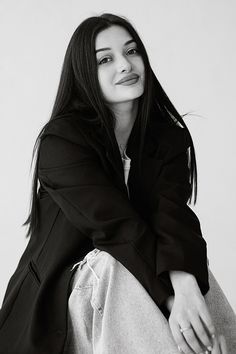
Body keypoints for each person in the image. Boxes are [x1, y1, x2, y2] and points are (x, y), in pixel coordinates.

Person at [0, 12, 235, 354]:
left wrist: (185, 287)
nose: (125, 64)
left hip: (130, 290)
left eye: (132, 51)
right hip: (59, 308)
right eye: (106, 59)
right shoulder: (62, 141)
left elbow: (174, 219)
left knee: (193, 272)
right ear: (84, 74)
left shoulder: (166, 139)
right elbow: (118, 230)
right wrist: (173, 301)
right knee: (116, 264)